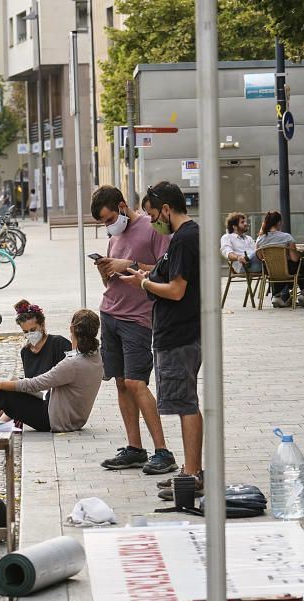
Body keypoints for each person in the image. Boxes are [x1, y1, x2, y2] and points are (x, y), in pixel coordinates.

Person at [120, 181, 203, 501]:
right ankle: (189, 471)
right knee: (185, 403)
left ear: (167, 209)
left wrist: (145, 285)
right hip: (178, 332)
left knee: (186, 404)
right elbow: (167, 276)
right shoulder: (183, 238)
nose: (154, 221)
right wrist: (145, 277)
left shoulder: (184, 239)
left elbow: (177, 290)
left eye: (154, 215)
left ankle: (192, 474)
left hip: (180, 334)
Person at [88, 186, 176, 475]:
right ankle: (135, 448)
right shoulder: (115, 234)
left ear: (123, 207)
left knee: (138, 383)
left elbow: (167, 270)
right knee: (122, 383)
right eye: (103, 222)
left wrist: (131, 264)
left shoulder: (151, 228)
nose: (108, 225)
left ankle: (163, 451)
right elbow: (113, 281)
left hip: (138, 318)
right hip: (111, 311)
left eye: (109, 218)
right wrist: (107, 271)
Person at [0, 309, 103, 432]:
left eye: (32, 330)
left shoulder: (72, 362)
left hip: (55, 420)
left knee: (4, 393)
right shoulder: (96, 356)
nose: (29, 334)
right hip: (71, 418)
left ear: (71, 329)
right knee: (6, 389)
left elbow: (35, 384)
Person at [255, 210, 304, 307]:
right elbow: (294, 259)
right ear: (278, 222)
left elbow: (260, 257)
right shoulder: (287, 237)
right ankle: (303, 294)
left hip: (269, 271)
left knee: (277, 268)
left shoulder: (260, 239)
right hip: (287, 269)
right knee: (302, 264)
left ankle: (276, 296)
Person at [14, 300, 71, 380]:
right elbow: (29, 381)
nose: (30, 334)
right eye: (25, 331)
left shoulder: (59, 343)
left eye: (33, 330)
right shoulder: (25, 352)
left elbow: (70, 374)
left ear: (42, 325)